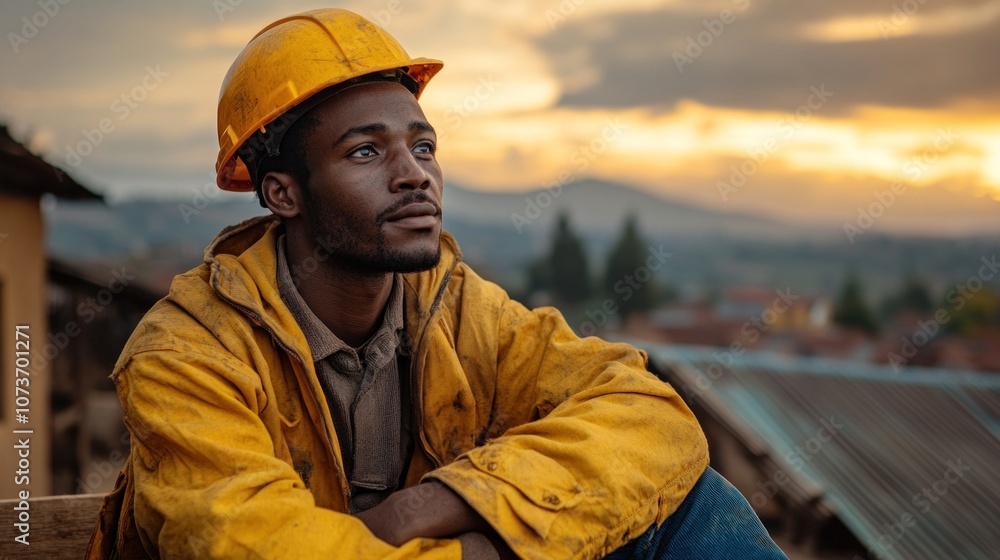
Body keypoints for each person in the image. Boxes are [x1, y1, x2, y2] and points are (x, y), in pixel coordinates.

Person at [87, 8, 786, 559]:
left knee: (689, 502)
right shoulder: (187, 353)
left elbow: (651, 416)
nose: (414, 174)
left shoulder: (456, 309)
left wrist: (425, 509)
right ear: (283, 193)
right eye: (366, 152)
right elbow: (250, 546)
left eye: (423, 147)